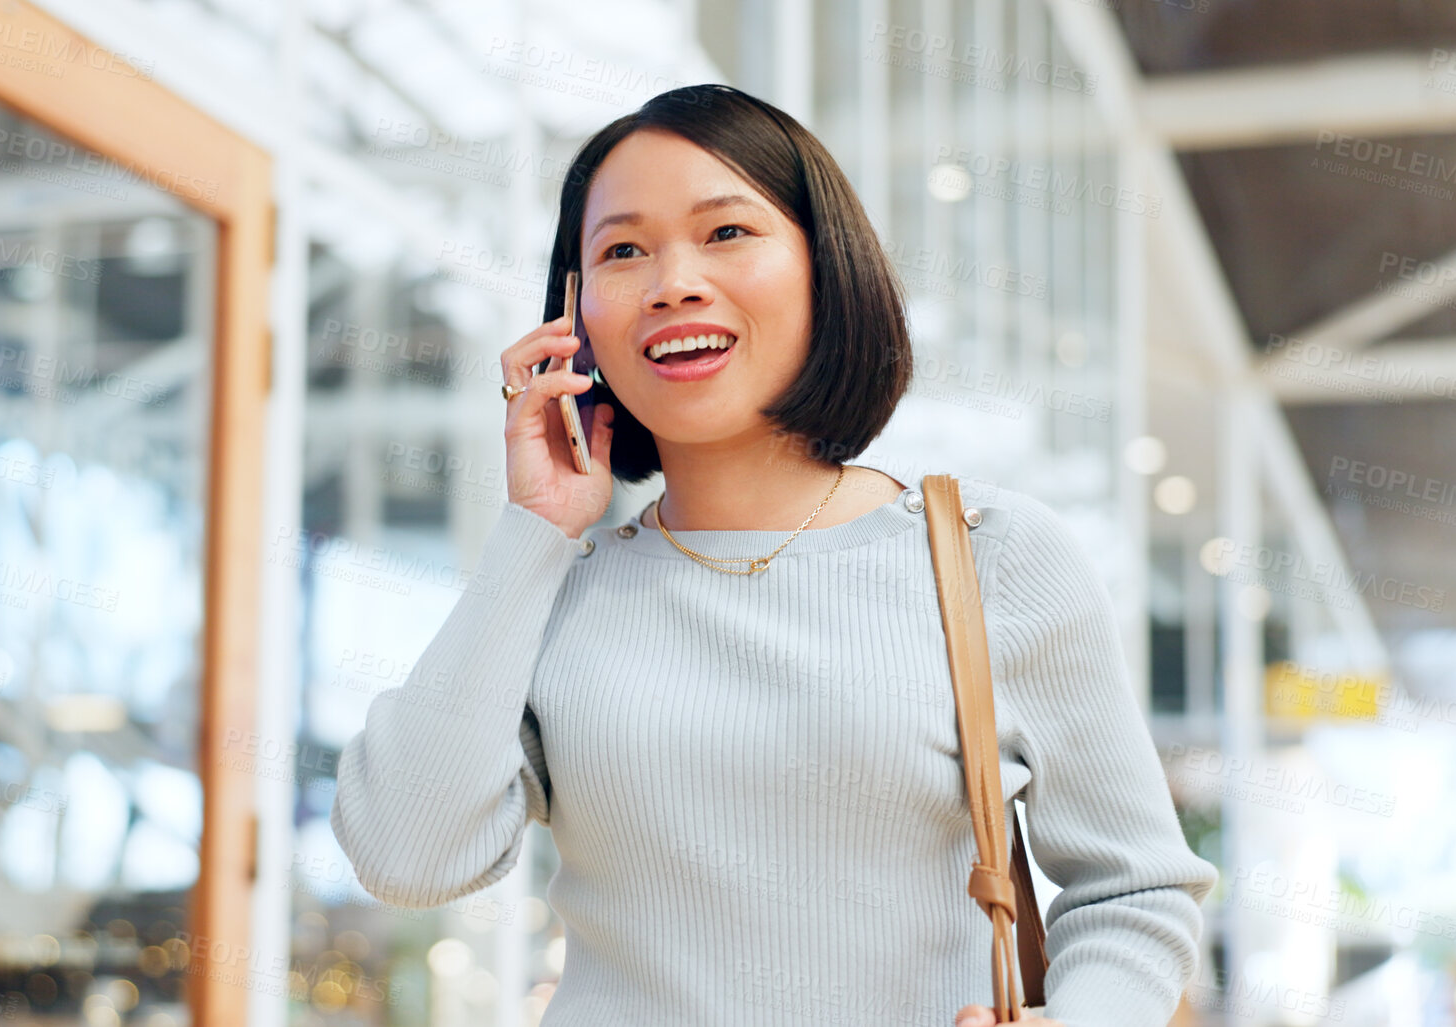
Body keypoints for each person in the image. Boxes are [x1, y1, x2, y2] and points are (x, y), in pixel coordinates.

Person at [331, 82, 1216, 1027]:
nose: (673, 280)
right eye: (621, 250)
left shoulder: (988, 555)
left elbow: (1133, 890)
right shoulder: (557, 590)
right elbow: (408, 854)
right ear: (577, 319)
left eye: (726, 233)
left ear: (824, 269)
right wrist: (536, 528)